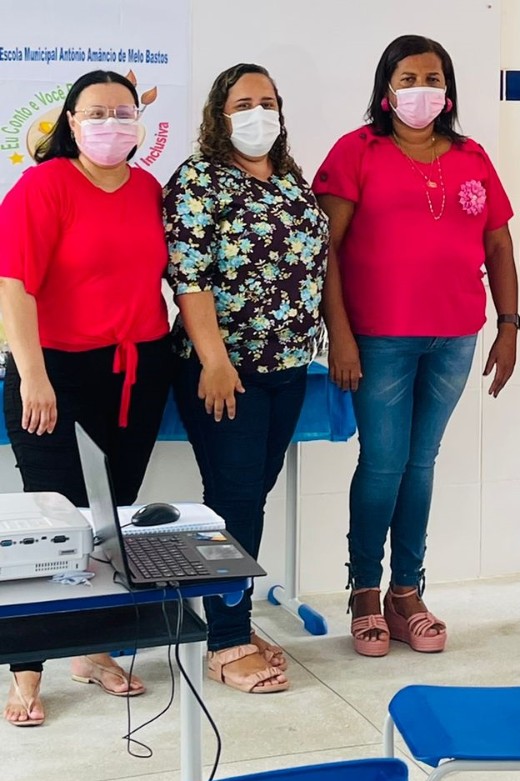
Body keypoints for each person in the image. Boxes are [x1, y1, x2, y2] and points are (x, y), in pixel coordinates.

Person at [313, 34, 518, 657]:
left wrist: (509, 324)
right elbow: (325, 251)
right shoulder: (356, 151)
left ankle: (407, 592)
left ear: (448, 91)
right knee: (383, 462)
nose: (421, 90)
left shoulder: (472, 155)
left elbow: (498, 244)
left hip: (455, 335)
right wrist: (340, 335)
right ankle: (364, 591)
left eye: (433, 79)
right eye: (408, 79)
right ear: (386, 89)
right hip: (379, 338)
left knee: (421, 463)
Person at [0, 70, 172, 725]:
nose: (110, 124)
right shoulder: (44, 185)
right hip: (55, 372)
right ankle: (26, 671)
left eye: (122, 112)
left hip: (136, 371)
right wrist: (33, 374)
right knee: (53, 522)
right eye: (95, 112)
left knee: (109, 519)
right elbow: (13, 285)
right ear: (70, 122)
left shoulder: (147, 188)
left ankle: (93, 650)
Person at [164, 63, 329, 691]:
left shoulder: (288, 178)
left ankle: (231, 619)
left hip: (288, 369)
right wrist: (214, 360)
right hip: (225, 371)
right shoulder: (197, 180)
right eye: (242, 103)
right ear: (219, 114)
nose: (257, 113)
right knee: (233, 502)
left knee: (247, 500)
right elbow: (190, 278)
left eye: (267, 102)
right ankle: (226, 642)